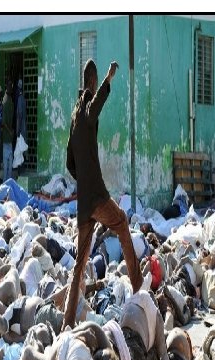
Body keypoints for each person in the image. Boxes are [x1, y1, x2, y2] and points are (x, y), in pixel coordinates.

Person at [63, 59, 142, 329]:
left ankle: (67, 323)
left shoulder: (74, 118)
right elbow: (94, 108)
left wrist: (82, 180)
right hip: (96, 195)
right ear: (93, 81)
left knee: (79, 263)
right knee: (121, 223)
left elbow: (69, 164)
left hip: (83, 201)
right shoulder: (86, 108)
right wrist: (109, 80)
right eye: (98, 80)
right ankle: (139, 290)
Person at [1, 80, 14, 182]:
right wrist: (10, 131)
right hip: (6, 138)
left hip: (9, 138)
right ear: (7, 88)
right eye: (10, 87)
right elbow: (3, 122)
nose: (11, 89)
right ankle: (5, 185)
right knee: (6, 165)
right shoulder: (5, 101)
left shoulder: (9, 99)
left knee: (10, 165)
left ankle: (8, 184)